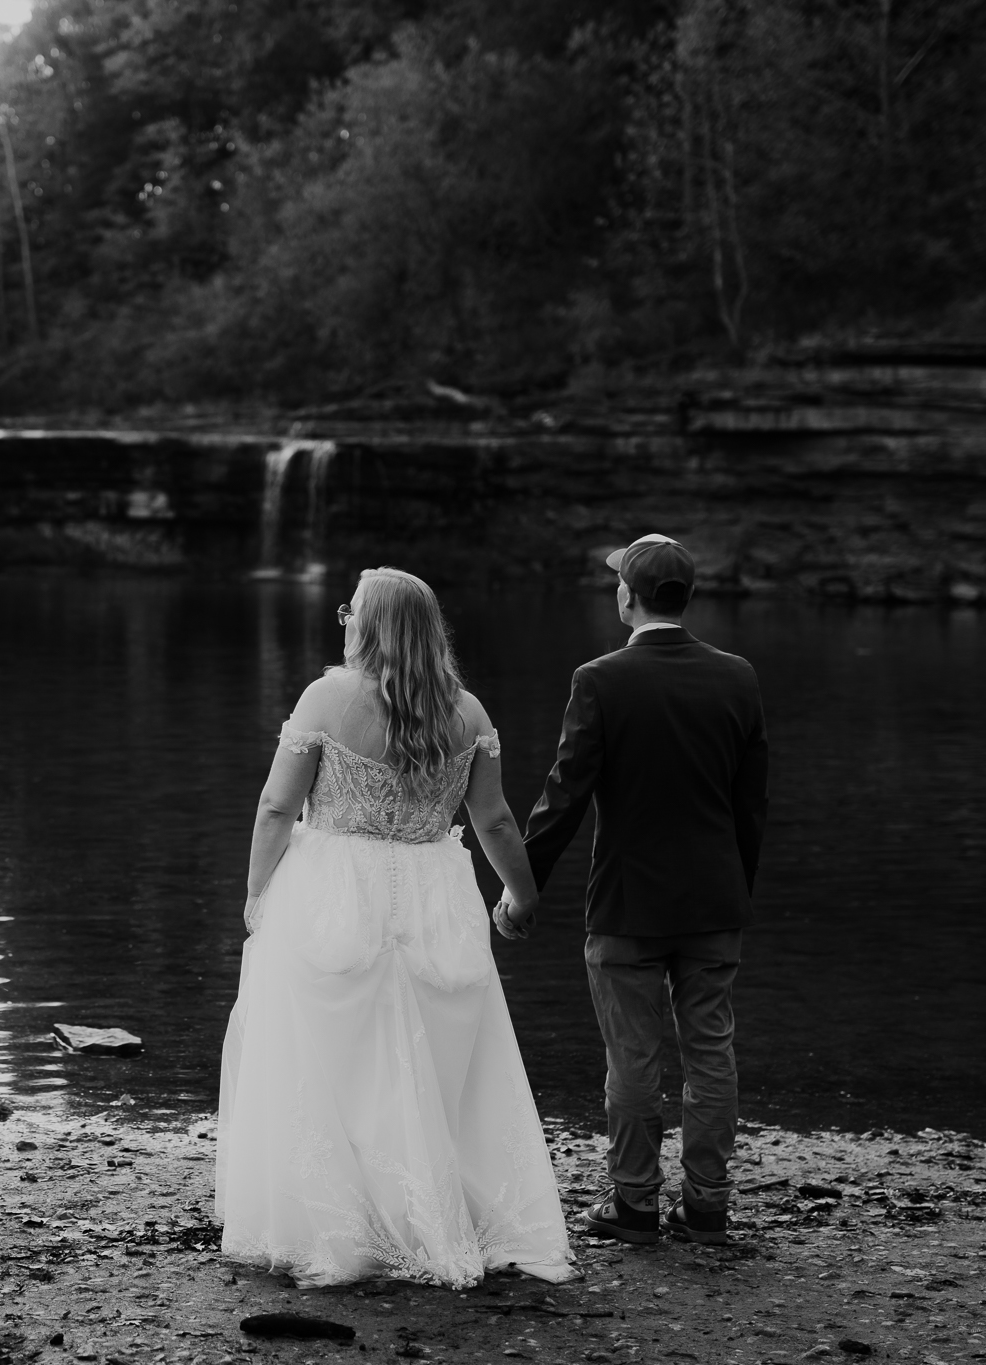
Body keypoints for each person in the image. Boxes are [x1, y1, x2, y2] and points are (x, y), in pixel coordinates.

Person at [216, 567, 575, 1288]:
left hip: (332, 892)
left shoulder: (327, 697)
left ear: (368, 624)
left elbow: (276, 808)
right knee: (438, 1067)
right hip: (434, 894)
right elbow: (495, 819)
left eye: (351, 608)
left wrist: (258, 893)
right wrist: (521, 896)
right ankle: (439, 1214)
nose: (342, 617)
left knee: (329, 1063)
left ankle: (344, 1225)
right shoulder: (467, 713)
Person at [504, 533, 769, 1246]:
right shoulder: (738, 676)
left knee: (634, 1059)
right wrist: (734, 892)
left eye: (619, 579)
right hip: (714, 902)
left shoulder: (600, 678)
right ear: (687, 598)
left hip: (628, 904)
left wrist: (519, 891)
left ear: (629, 597)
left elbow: (564, 796)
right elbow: (752, 805)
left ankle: (635, 1204)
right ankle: (708, 1208)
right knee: (711, 1051)